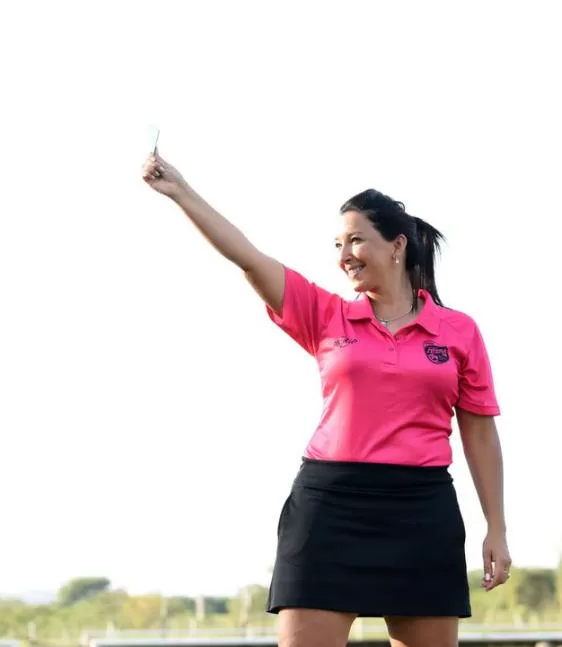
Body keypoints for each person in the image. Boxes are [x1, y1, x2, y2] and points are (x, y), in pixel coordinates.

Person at [140, 150, 510, 647]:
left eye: (357, 239)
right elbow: (248, 258)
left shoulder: (458, 331)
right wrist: (181, 192)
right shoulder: (326, 314)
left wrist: (497, 528)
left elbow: (480, 433)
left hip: (421, 511)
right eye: (338, 244)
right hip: (329, 508)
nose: (344, 255)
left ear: (397, 245)